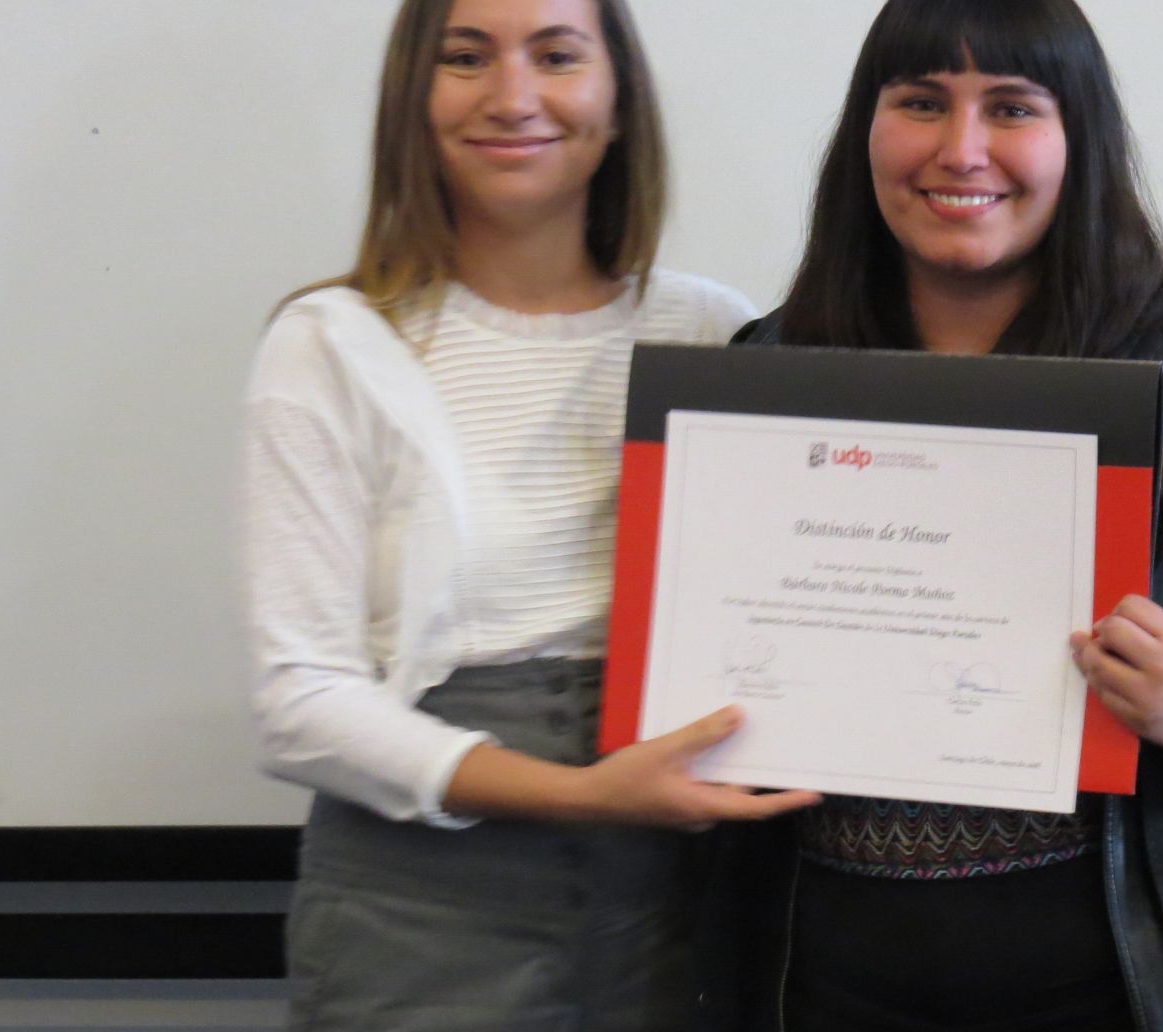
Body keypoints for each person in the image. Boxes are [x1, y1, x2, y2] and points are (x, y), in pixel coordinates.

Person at [732, 1, 1163, 1029]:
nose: (961, 150)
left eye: (1011, 108)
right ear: (865, 129)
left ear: (1077, 138)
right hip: (822, 984)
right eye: (920, 103)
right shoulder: (762, 376)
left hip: (1129, 990)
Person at [241, 1, 818, 1029]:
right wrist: (588, 795)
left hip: (676, 906)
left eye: (556, 56)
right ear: (413, 96)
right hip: (415, 921)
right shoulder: (332, 345)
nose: (512, 97)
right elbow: (302, 705)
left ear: (619, 98)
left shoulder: (713, 332)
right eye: (466, 58)